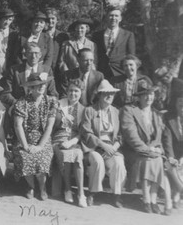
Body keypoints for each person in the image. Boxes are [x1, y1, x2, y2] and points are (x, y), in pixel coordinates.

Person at [121, 78, 172, 215]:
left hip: (153, 150)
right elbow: (131, 136)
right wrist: (148, 150)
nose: (149, 97)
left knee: (157, 159)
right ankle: (147, 199)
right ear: (138, 97)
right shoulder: (129, 110)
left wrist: (156, 148)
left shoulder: (156, 113)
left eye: (151, 94)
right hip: (134, 151)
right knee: (150, 159)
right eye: (145, 94)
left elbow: (159, 136)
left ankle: (153, 199)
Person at [80, 79, 126, 208]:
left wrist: (114, 147)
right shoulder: (90, 111)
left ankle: (116, 195)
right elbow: (86, 133)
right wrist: (102, 145)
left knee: (118, 163)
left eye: (111, 93)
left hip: (111, 147)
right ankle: (92, 193)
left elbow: (121, 136)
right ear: (99, 95)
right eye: (105, 93)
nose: (109, 96)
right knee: (97, 161)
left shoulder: (116, 112)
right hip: (94, 147)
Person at [12, 72, 57, 201]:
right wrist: (25, 146)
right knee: (25, 156)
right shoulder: (22, 102)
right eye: (37, 85)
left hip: (43, 139)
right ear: (30, 88)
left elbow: (49, 127)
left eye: (43, 84)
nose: (41, 87)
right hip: (24, 139)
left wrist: (40, 146)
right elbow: (17, 126)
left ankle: (42, 188)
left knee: (42, 157)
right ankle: (31, 186)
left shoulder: (51, 102)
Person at [52, 79, 87, 207]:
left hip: (74, 141)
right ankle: (67, 189)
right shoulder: (58, 105)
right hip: (58, 139)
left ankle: (81, 194)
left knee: (77, 154)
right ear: (66, 92)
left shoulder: (84, 110)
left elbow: (82, 132)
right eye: (71, 90)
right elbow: (51, 126)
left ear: (81, 93)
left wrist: (71, 141)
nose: (73, 93)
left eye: (76, 91)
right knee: (66, 155)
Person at [0, 42, 58, 106]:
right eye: (30, 53)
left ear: (40, 55)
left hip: (41, 108)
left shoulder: (47, 70)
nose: (33, 56)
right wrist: (19, 105)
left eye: (36, 53)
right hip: (18, 108)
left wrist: (43, 106)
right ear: (25, 54)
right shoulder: (14, 70)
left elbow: (53, 94)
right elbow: (5, 93)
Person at [92, 7, 135, 80]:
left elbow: (131, 56)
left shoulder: (128, 35)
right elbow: (94, 55)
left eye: (116, 16)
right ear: (106, 18)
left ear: (120, 18)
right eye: (111, 15)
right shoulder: (97, 35)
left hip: (120, 73)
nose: (113, 18)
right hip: (101, 73)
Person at [164, 90, 183, 210]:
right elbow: (167, 140)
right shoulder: (169, 118)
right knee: (169, 168)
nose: (182, 106)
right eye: (180, 103)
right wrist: (171, 157)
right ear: (176, 103)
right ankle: (170, 200)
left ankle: (176, 196)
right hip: (169, 155)